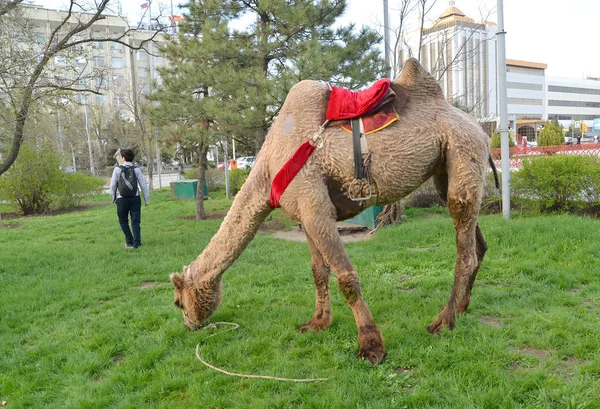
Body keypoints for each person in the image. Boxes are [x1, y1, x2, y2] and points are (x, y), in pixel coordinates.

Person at [109, 149, 150, 249]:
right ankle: (137, 243)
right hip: (135, 198)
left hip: (121, 199)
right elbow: (143, 185)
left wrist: (113, 198)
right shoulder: (137, 169)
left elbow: (113, 186)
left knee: (123, 221)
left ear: (123, 158)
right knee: (135, 222)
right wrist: (146, 199)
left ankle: (129, 242)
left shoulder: (117, 169)